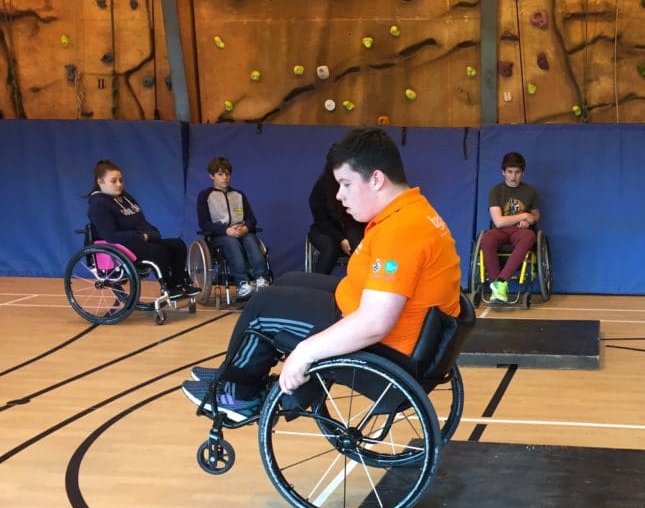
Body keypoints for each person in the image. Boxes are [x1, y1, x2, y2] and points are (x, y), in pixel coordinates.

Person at [182, 127, 462, 421]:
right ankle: (235, 370)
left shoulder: (401, 230)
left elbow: (375, 323)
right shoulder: (413, 210)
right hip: (386, 323)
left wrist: (304, 352)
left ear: (377, 179)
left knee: (264, 305)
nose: (339, 195)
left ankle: (238, 394)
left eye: (345, 184)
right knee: (287, 283)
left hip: (385, 349)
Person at [87, 159, 200, 298]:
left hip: (138, 240)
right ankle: (169, 288)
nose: (119, 184)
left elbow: (141, 222)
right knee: (159, 251)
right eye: (114, 181)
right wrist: (141, 236)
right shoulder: (98, 205)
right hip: (120, 246)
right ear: (100, 182)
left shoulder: (126, 197)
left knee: (178, 245)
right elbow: (111, 236)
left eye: (121, 180)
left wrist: (152, 233)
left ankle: (180, 283)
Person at [196, 156, 271, 299]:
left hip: (241, 231)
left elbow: (251, 219)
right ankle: (242, 283)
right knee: (231, 242)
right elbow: (204, 223)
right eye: (220, 174)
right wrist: (226, 230)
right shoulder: (205, 196)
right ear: (211, 176)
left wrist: (246, 228)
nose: (225, 178)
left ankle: (262, 279)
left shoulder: (238, 195)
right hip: (219, 235)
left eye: (227, 174)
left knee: (250, 239)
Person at [479, 151, 540, 302]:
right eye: (510, 172)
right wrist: (523, 215)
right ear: (503, 172)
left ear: (523, 173)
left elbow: (536, 215)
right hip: (500, 231)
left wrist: (530, 220)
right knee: (486, 239)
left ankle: (500, 282)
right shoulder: (496, 191)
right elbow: (499, 222)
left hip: (520, 231)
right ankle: (496, 285)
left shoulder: (530, 191)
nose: (513, 176)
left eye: (517, 172)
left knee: (530, 236)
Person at [307, 164, 366, 275]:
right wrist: (341, 239)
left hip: (350, 226)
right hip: (324, 229)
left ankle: (358, 282)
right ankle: (317, 283)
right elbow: (321, 220)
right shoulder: (321, 187)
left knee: (358, 245)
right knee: (330, 249)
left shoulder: (356, 184)